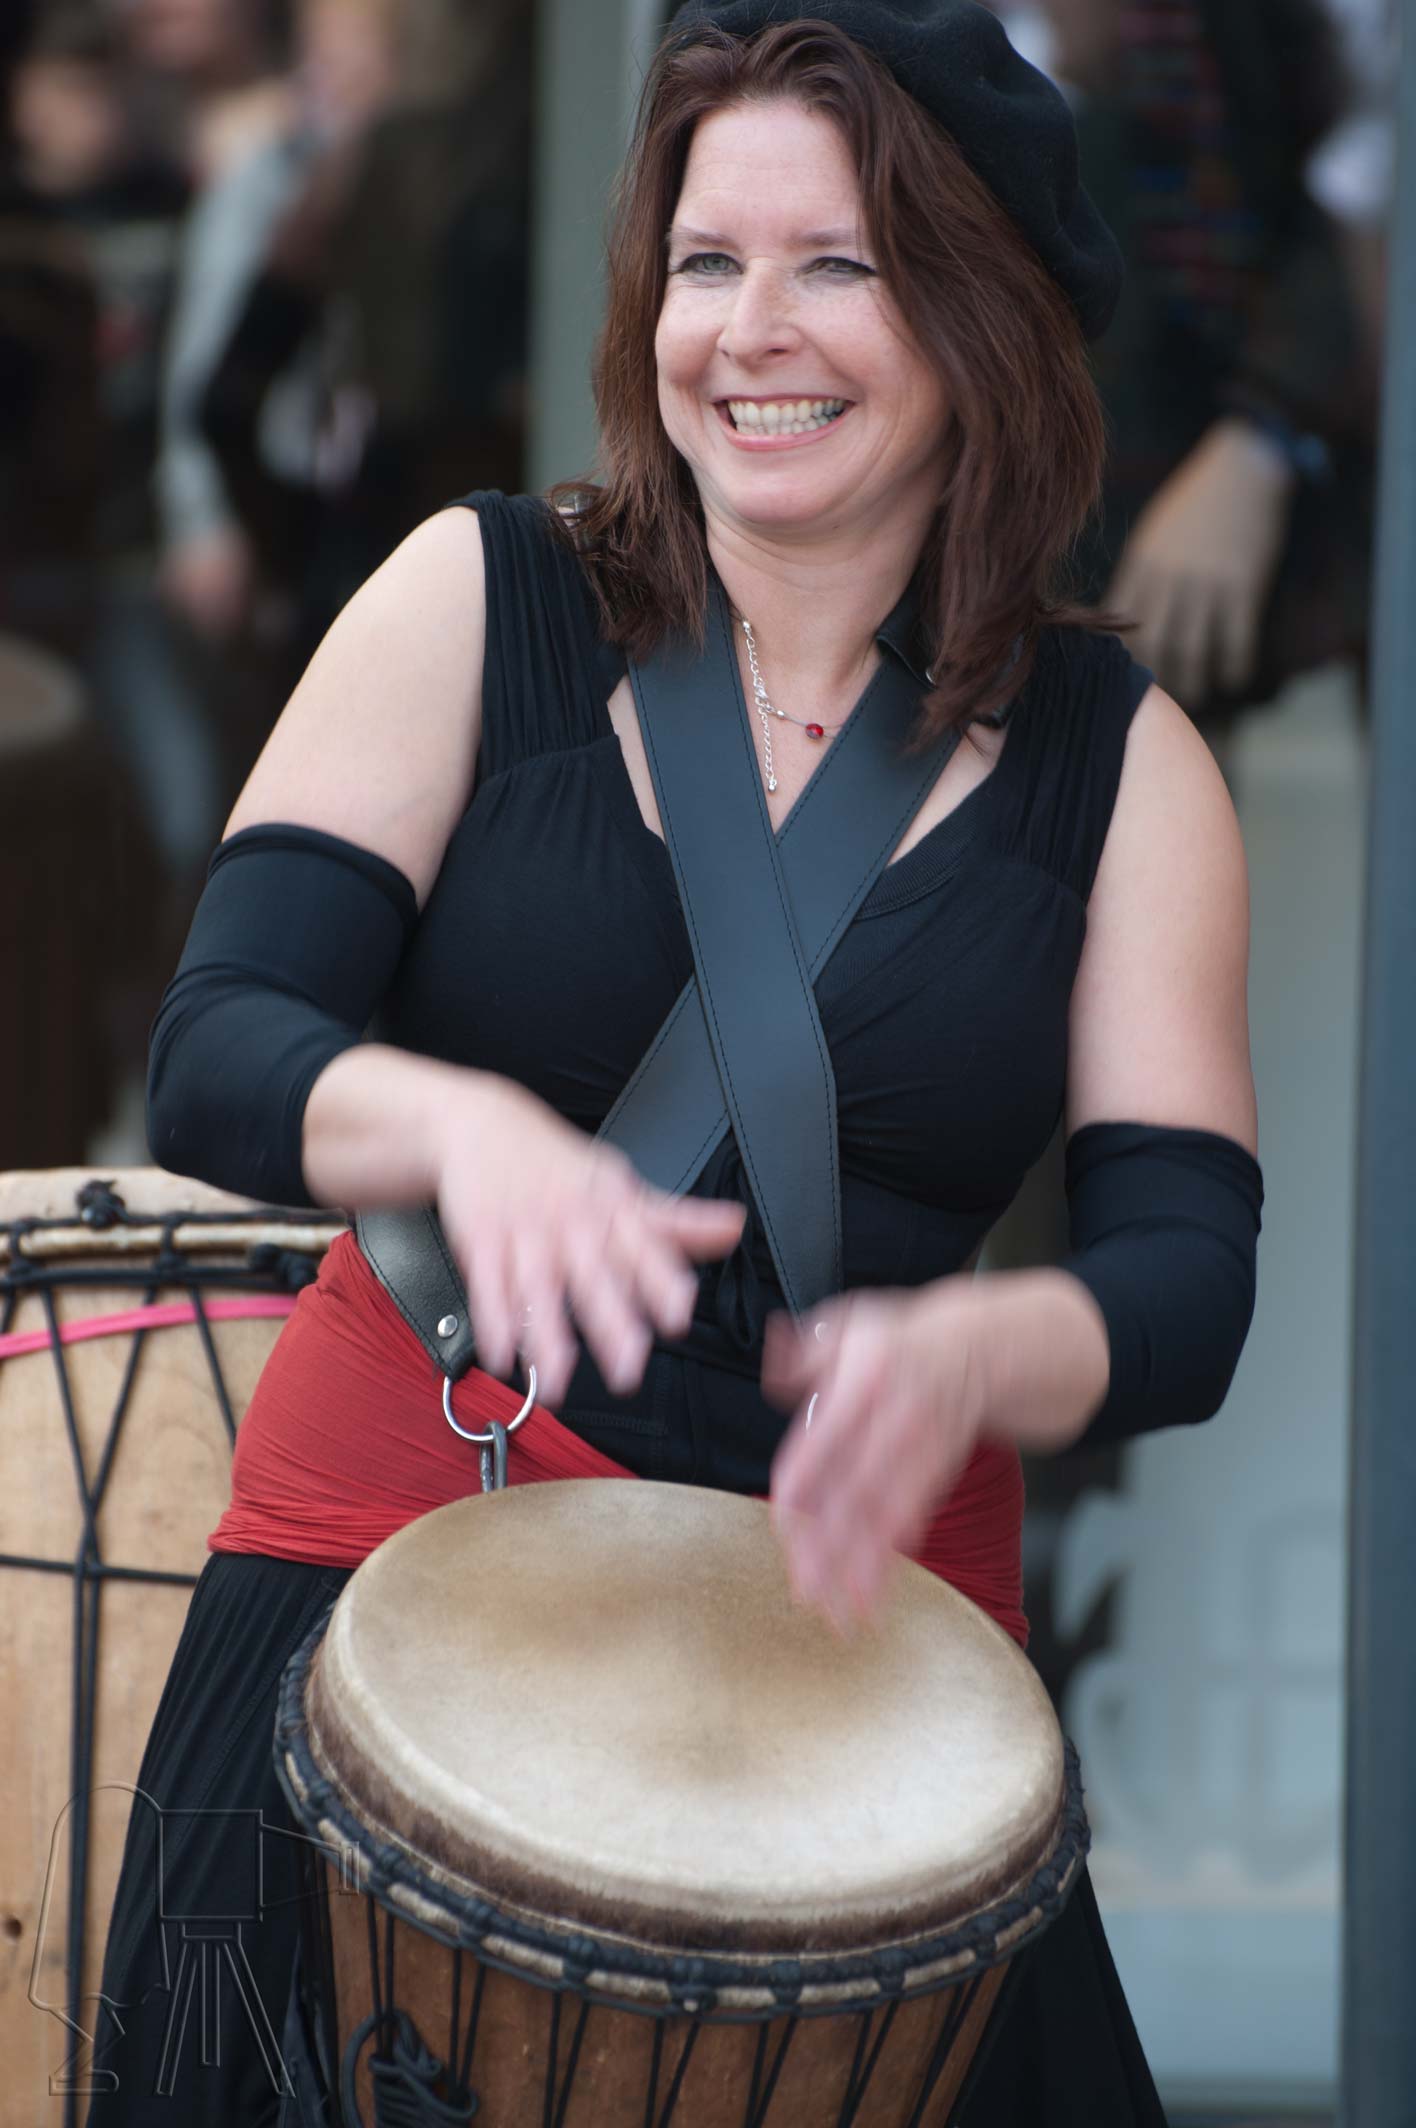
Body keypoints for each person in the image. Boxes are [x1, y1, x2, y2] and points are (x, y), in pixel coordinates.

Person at [88, 2, 1263, 2122]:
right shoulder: (479, 597)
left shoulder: (1127, 766)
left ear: (981, 312)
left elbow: (1188, 1277)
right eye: (707, 261)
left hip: (864, 1658)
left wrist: (990, 1347)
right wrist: (459, 1128)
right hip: (395, 1574)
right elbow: (222, 1046)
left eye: (837, 263)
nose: (749, 330)